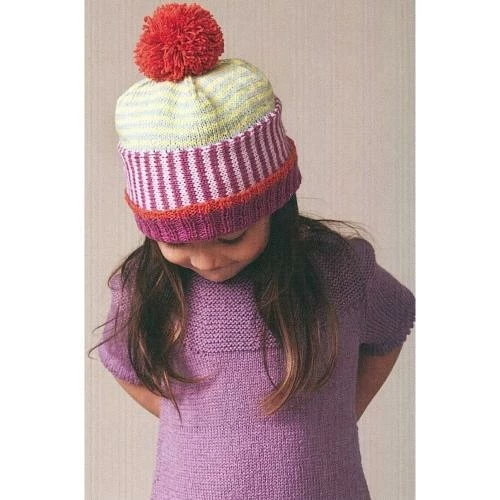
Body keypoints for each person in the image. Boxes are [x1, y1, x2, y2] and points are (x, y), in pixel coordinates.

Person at [90, 3, 415, 499]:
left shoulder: (337, 271)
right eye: (177, 242)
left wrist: (340, 414)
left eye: (230, 236)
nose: (207, 260)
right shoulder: (147, 287)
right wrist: (191, 423)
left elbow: (392, 325)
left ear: (274, 206)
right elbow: (120, 360)